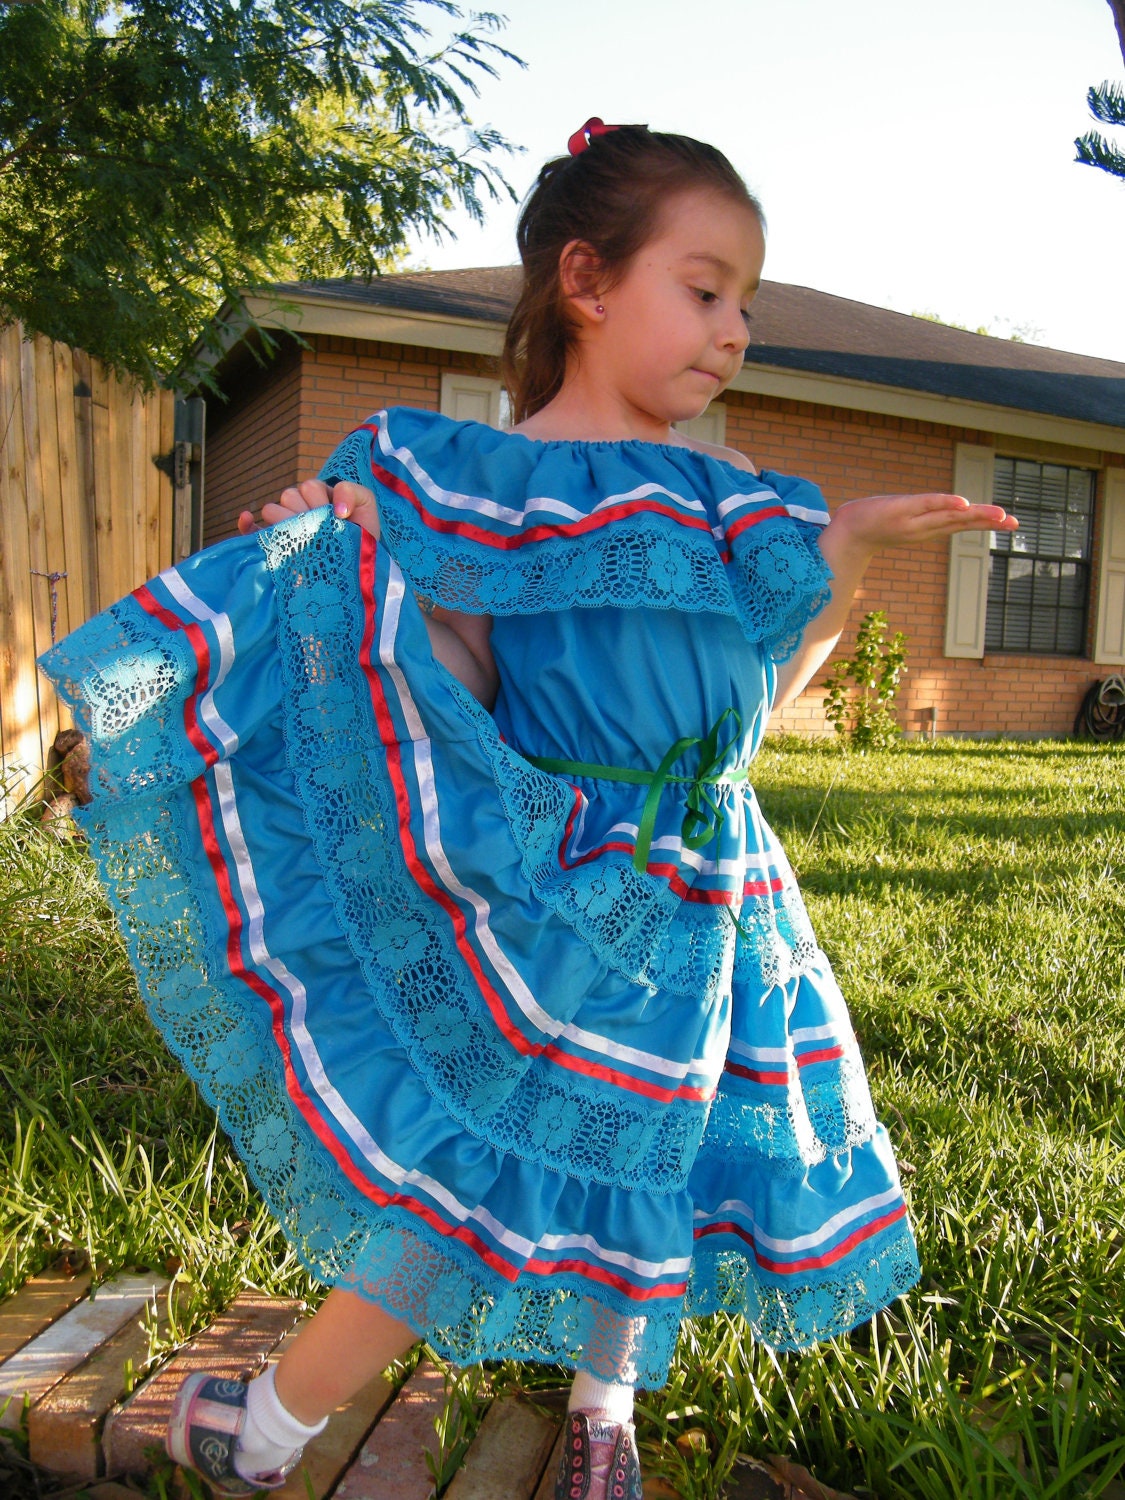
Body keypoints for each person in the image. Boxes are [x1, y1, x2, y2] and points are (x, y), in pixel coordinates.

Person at [40, 119, 1015, 1500]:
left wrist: (841, 555)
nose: (734, 327)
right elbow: (442, 685)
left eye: (745, 298)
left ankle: (601, 1412)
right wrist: (343, 567)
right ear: (586, 280)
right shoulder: (461, 486)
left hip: (721, 886)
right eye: (704, 285)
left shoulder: (736, 502)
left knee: (657, 1156)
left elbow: (757, 700)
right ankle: (262, 1434)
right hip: (565, 893)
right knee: (480, 1177)